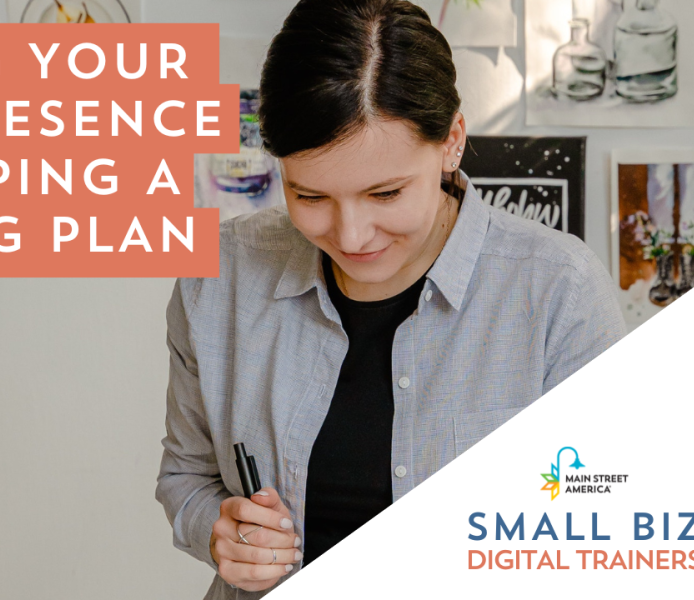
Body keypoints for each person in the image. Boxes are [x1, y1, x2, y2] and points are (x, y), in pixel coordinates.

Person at [155, 0, 627, 598]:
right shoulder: (220, 277)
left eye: (385, 193)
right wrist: (220, 531)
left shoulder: (558, 291)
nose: (350, 236)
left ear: (452, 140)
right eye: (310, 195)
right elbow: (187, 477)